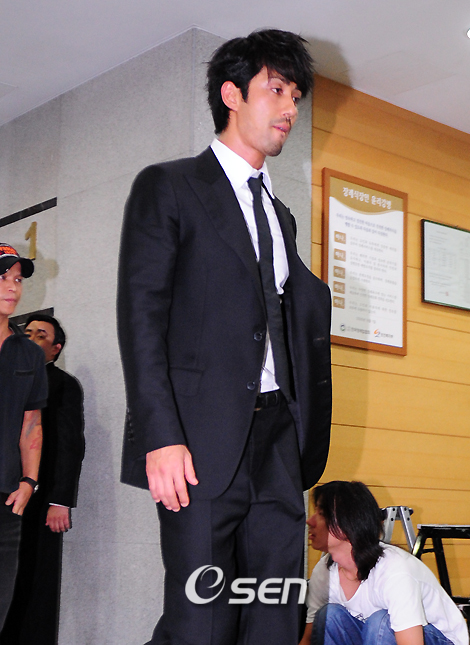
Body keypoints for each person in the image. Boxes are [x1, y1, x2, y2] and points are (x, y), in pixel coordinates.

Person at [118, 28, 332, 645]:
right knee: (202, 618)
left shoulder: (280, 215)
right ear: (231, 94)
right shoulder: (170, 186)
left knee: (275, 611)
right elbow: (141, 318)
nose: (290, 109)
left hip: (278, 440)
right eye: (277, 90)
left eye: (296, 96)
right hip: (199, 440)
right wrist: (161, 436)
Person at [0, 314, 85, 645]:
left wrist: (59, 500)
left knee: (33, 577)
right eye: (29, 332)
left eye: (42, 334)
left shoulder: (62, 383)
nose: (32, 337)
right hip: (10, 491)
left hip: (40, 498)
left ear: (55, 348)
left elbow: (69, 443)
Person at [300, 481, 469, 645]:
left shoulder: (394, 569)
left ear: (348, 522)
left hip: (439, 639)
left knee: (380, 622)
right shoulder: (324, 572)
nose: (310, 521)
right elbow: (308, 639)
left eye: (321, 514)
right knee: (329, 616)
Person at [0, 243, 47, 632]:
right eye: (2, 277)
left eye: (17, 279)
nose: (12, 287)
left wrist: (29, 481)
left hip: (6, 501)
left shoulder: (29, 354)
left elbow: (32, 423)